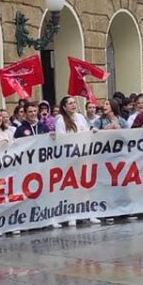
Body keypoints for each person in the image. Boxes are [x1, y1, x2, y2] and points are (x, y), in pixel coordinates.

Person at [54, 96, 100, 226]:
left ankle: (88, 213)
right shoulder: (61, 120)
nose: (73, 105)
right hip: (70, 158)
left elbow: (85, 133)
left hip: (83, 156)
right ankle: (71, 215)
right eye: (70, 103)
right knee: (71, 187)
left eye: (74, 103)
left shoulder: (80, 118)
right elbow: (61, 139)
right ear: (64, 107)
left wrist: (91, 132)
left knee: (85, 186)